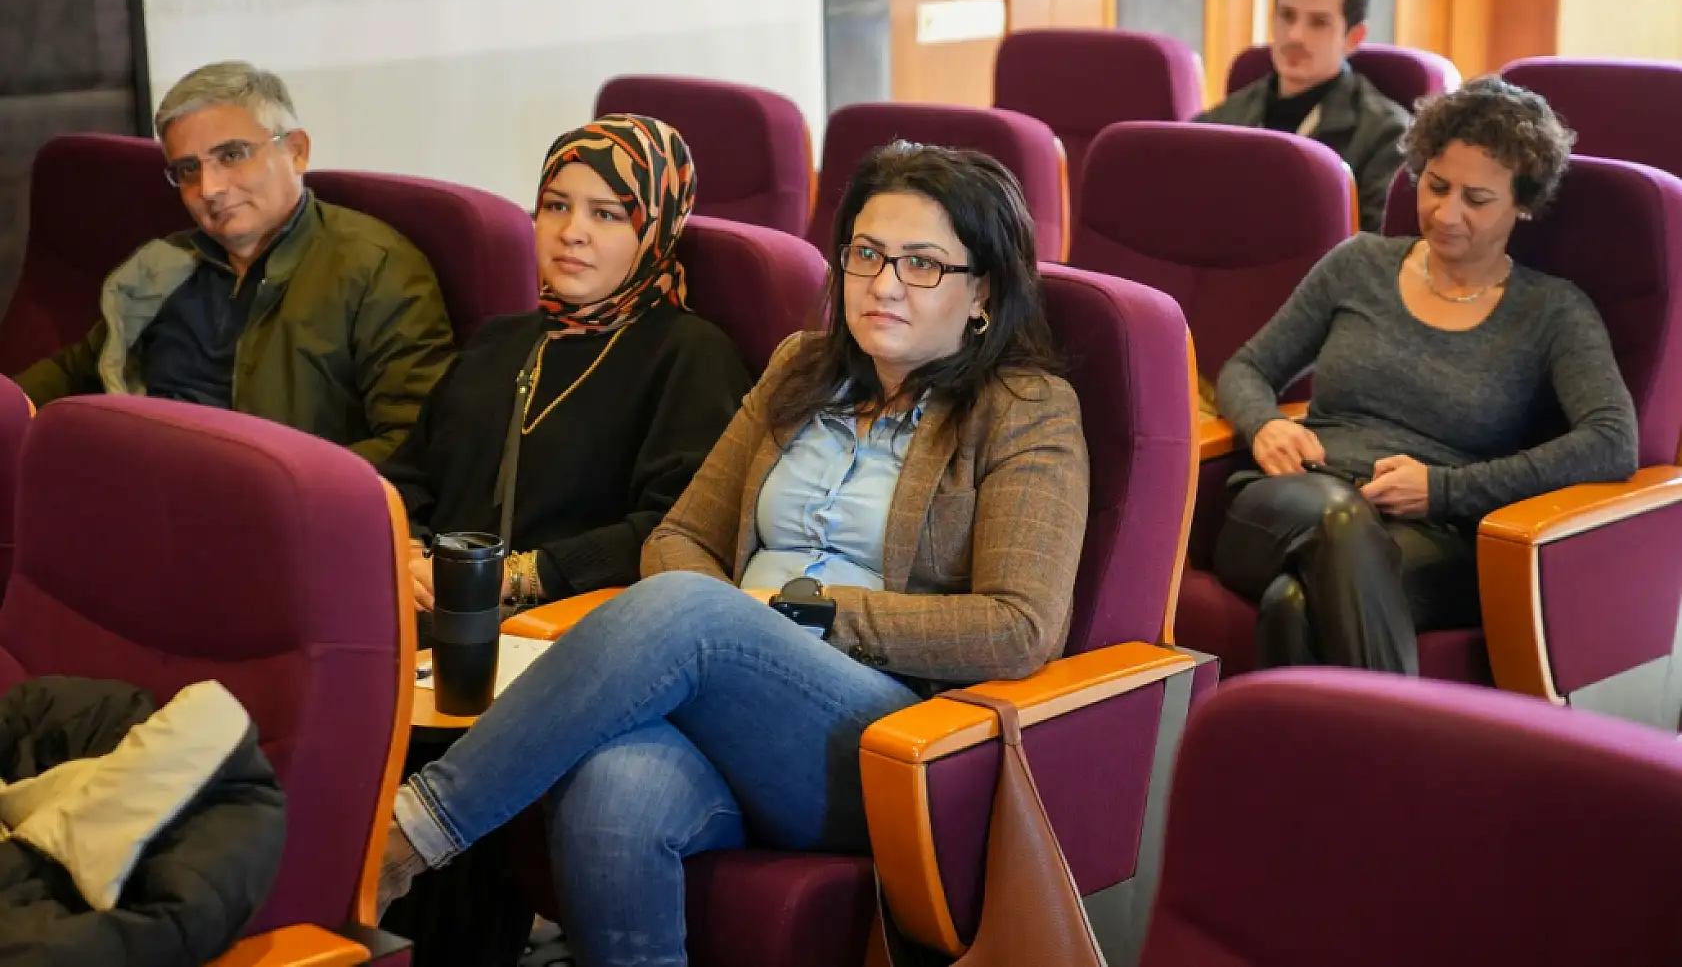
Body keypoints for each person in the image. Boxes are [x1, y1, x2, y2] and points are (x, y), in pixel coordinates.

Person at [378, 142, 1090, 966]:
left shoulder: (1024, 408)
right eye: (865, 254)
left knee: (696, 612)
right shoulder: (803, 369)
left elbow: (1020, 627)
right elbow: (682, 534)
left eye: (923, 265)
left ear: (983, 294)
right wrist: (719, 641)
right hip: (720, 698)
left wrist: (785, 620)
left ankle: (410, 834)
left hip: (893, 734)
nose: (884, 284)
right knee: (611, 791)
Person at [1212, 76, 1639, 674]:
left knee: (1292, 605)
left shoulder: (1553, 311)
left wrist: (1443, 489)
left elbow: (1612, 441)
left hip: (1438, 533)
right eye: (1435, 186)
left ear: (1522, 202)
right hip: (1294, 500)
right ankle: (1405, 755)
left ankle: (1318, 762)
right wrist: (1264, 426)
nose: (1446, 213)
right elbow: (1248, 368)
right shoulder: (1358, 263)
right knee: (1336, 520)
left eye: (1477, 199)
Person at [383, 114, 753, 620]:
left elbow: (678, 527)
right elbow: (410, 473)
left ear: (655, 231)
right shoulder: (498, 341)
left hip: (570, 625)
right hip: (429, 604)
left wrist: (520, 576)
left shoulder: (689, 355)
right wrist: (404, 547)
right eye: (556, 206)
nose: (571, 233)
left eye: (606, 214)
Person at [15, 61, 453, 463]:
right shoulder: (163, 266)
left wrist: (269, 495)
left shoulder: (377, 270)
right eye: (188, 170)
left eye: (231, 156)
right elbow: (73, 372)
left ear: (296, 151)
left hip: (282, 515)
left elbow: (413, 443)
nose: (209, 188)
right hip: (142, 492)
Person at [1198, 0, 1409, 234]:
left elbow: (1377, 253)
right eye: (1287, 16)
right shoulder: (1217, 122)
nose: (1295, 35)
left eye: (1318, 23)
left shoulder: (1388, 134)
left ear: (1353, 38)